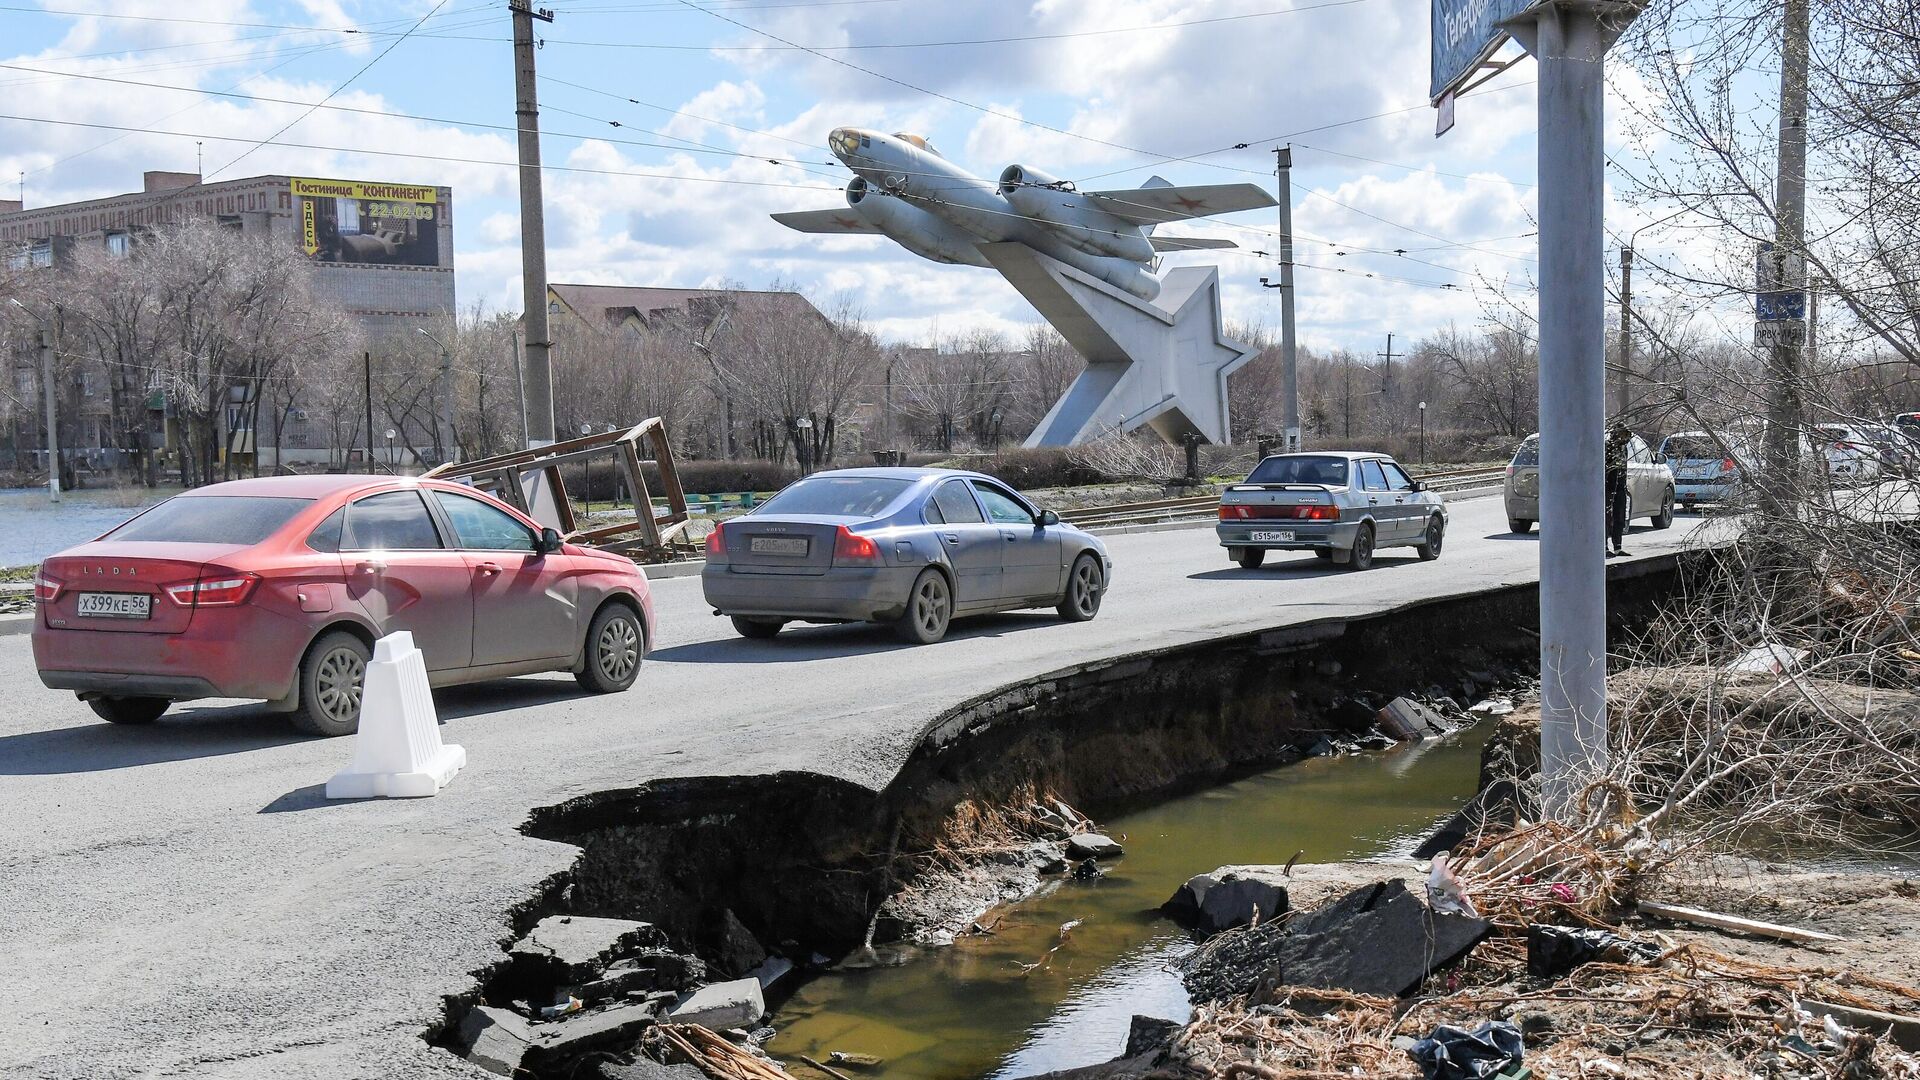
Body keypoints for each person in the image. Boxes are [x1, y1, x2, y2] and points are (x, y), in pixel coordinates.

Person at [1605, 421, 1632, 557]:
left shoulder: (1624, 449)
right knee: (1607, 518)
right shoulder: (1608, 448)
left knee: (1619, 517)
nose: (1624, 438)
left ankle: (1618, 547)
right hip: (1609, 487)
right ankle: (1604, 547)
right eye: (1621, 435)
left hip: (1621, 487)